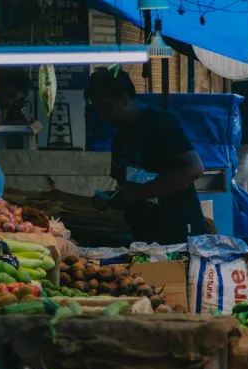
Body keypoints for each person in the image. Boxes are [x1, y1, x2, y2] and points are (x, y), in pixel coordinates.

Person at [86, 68, 207, 244]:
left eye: (106, 107)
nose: (103, 116)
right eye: (98, 110)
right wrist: (111, 199)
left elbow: (193, 169)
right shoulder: (120, 137)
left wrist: (138, 193)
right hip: (144, 234)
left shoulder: (160, 123)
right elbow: (135, 183)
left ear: (124, 97)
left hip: (177, 233)